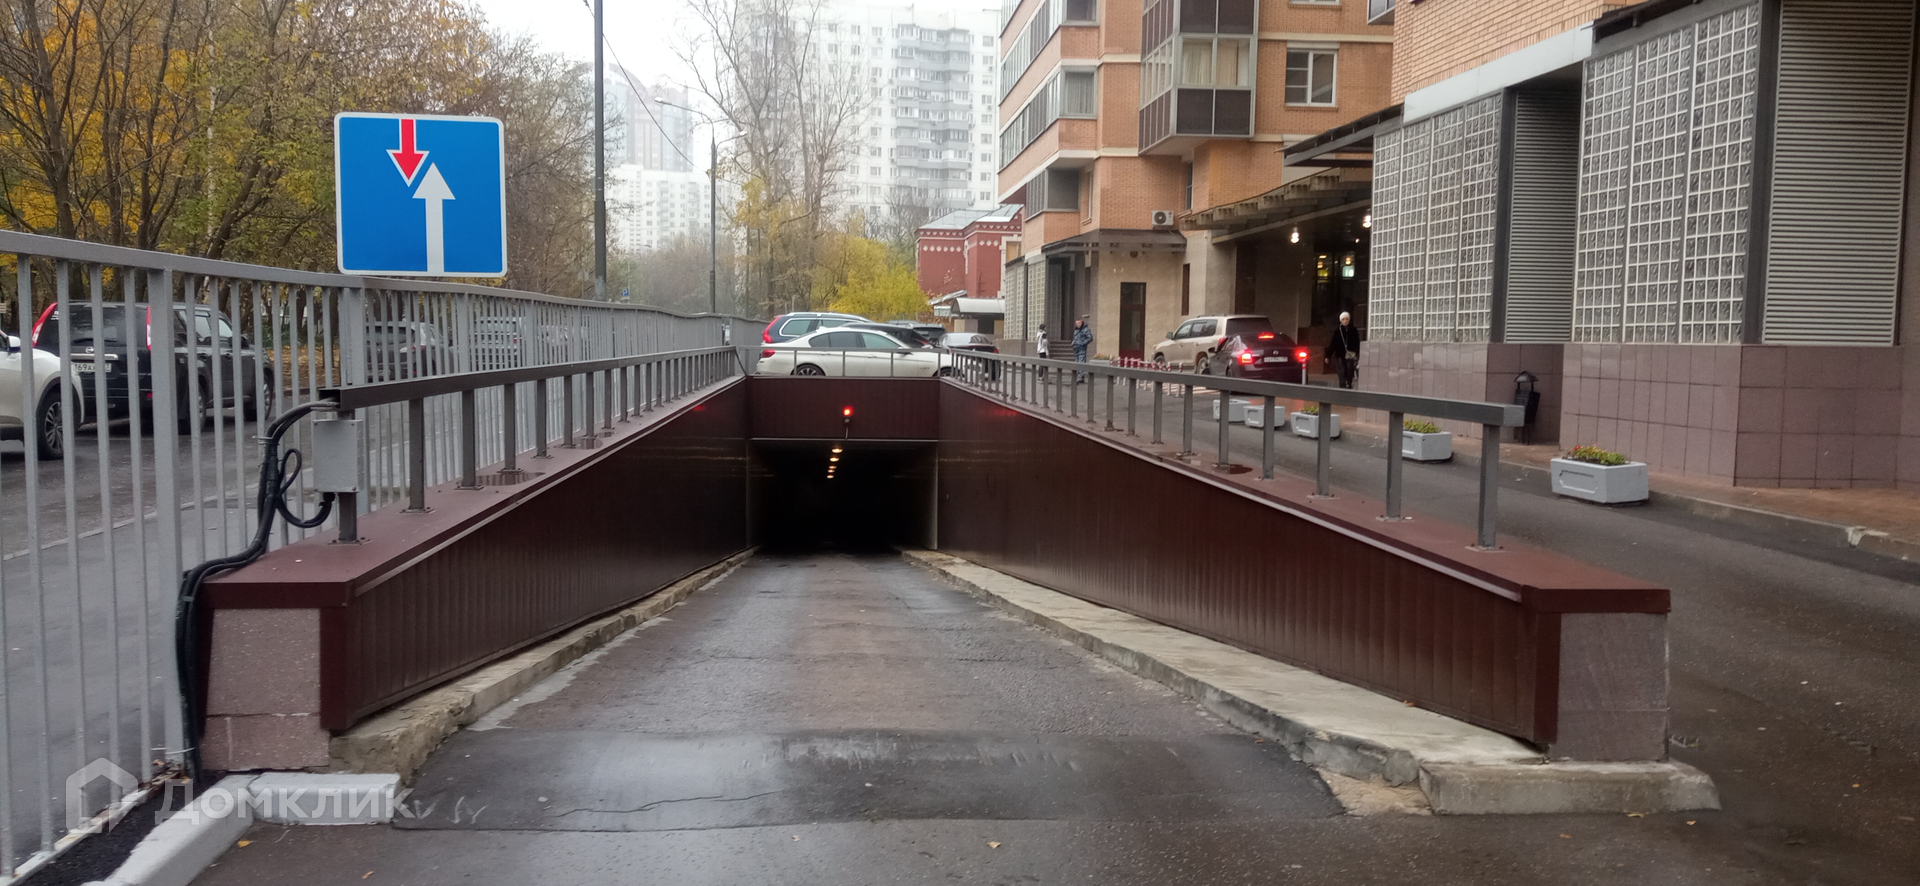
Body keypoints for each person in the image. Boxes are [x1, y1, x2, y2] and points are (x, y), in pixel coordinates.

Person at [1325, 311, 1360, 389]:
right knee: (1342, 370)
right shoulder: (1338, 331)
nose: (1345, 321)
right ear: (1341, 321)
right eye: (1343, 319)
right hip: (1340, 354)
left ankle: (1349, 383)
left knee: (1349, 369)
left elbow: (1357, 343)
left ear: (1349, 320)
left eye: (1347, 319)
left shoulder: (1353, 330)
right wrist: (1328, 355)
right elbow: (1333, 344)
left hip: (1350, 354)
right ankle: (1342, 385)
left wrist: (1358, 354)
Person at [1071, 317, 1093, 382]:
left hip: (1082, 348)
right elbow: (1075, 338)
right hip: (1076, 348)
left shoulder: (1085, 329)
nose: (1078, 324)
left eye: (1079, 323)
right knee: (1077, 362)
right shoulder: (1076, 330)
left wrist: (1083, 343)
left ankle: (1080, 376)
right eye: (1077, 323)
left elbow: (1090, 338)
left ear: (1082, 323)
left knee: (1081, 362)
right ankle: (1080, 376)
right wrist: (1073, 343)